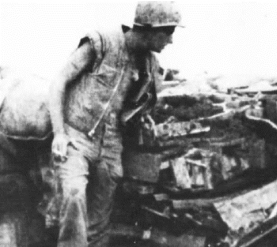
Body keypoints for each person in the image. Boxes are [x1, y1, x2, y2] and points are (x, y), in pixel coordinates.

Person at [48, 2, 183, 246]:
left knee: (100, 221)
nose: (171, 41)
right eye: (169, 32)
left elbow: (138, 104)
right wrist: (59, 133)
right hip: (76, 137)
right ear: (151, 29)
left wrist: (142, 116)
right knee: (74, 193)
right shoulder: (102, 42)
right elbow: (58, 82)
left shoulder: (150, 66)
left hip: (110, 145)